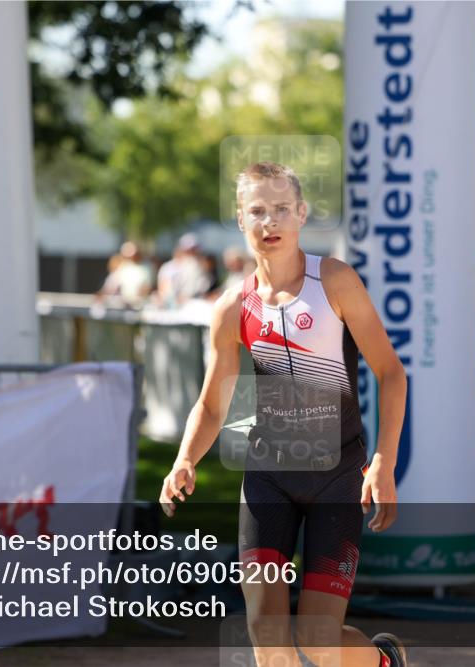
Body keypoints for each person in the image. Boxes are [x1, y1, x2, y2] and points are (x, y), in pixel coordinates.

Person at [159, 162, 409, 667]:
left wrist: (383, 462)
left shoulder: (335, 281)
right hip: (268, 476)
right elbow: (212, 403)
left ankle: (381, 661)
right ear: (240, 219)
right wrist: (185, 459)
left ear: (300, 214)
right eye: (257, 211)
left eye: (280, 210)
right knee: (265, 633)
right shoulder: (233, 306)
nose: (269, 222)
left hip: (336, 475)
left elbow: (391, 374)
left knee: (319, 640)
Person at [156, 232, 210, 306]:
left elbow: (203, 289)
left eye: (194, 249)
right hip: (174, 305)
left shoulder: (201, 267)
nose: (192, 252)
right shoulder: (169, 267)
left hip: (194, 304)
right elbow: (163, 289)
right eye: (189, 250)